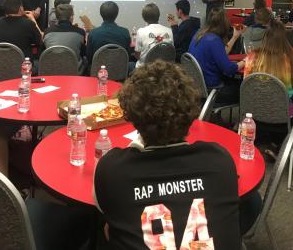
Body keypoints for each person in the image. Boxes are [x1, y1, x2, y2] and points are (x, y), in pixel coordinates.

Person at [94, 60, 243, 249]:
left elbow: (107, 214)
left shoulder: (112, 169)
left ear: (132, 115)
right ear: (190, 111)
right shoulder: (220, 160)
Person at [189, 8, 244, 104]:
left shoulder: (198, 35)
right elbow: (229, 69)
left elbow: (220, 53)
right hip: (213, 90)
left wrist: (235, 37)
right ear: (224, 24)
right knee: (244, 90)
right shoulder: (214, 40)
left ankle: (215, 116)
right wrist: (245, 62)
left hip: (198, 87)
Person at [244, 20, 293, 110]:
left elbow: (246, 82)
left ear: (265, 37)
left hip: (255, 107)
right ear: (284, 38)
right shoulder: (290, 58)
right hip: (282, 110)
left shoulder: (252, 56)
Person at [135, 3, 173, 68]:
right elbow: (171, 52)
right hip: (163, 70)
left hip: (144, 71)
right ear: (158, 15)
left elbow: (137, 56)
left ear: (144, 17)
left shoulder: (141, 31)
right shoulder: (169, 31)